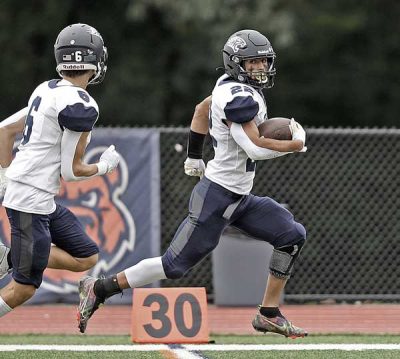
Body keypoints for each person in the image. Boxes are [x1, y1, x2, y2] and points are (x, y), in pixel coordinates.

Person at [77, 29, 307, 338]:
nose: (261, 68)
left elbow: (200, 110)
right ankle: (100, 287)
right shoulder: (236, 97)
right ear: (235, 64)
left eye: (264, 62)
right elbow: (254, 147)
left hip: (239, 198)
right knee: (173, 265)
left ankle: (268, 313)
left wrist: (194, 156)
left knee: (292, 235)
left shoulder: (229, 88)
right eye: (253, 63)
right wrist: (295, 144)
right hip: (217, 197)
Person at [0, 23, 120, 318]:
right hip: (31, 201)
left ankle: (10, 257)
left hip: (39, 199)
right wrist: (104, 166)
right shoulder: (82, 105)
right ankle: (15, 259)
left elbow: (4, 130)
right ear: (93, 60)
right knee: (24, 288)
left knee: (86, 256)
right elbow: (71, 170)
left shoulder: (47, 89)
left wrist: (5, 177)